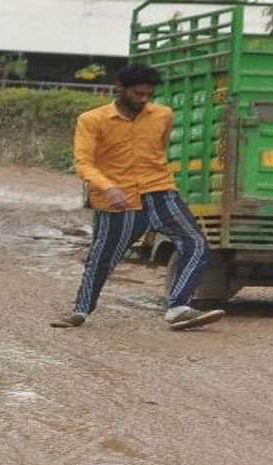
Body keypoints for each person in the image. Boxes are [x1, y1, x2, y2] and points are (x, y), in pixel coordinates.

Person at [51, 65, 224, 331]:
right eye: (138, 93)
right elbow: (84, 163)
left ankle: (178, 307)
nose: (143, 99)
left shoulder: (163, 115)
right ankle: (80, 311)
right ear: (119, 88)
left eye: (148, 95)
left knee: (196, 243)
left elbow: (160, 149)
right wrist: (108, 187)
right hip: (118, 202)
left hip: (160, 193)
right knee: (103, 258)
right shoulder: (92, 120)